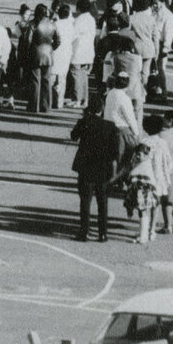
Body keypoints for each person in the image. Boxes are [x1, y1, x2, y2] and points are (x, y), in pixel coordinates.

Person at [70, 97, 119, 242]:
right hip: (103, 168)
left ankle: (83, 231)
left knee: (85, 201)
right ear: (102, 109)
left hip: (86, 166)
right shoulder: (110, 126)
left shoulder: (84, 122)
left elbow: (73, 137)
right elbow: (115, 152)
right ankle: (103, 233)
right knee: (102, 202)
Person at [28, 4, 60, 113]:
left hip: (35, 53)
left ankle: (34, 106)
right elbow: (58, 41)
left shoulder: (33, 24)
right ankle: (46, 106)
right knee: (46, 81)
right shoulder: (52, 24)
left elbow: (28, 40)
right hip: (48, 54)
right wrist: (51, 48)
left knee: (35, 81)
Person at [69, 0, 97, 109]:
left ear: (78, 8)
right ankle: (85, 100)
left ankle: (77, 99)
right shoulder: (92, 19)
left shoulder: (78, 20)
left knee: (75, 74)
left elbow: (73, 35)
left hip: (78, 51)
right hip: (89, 51)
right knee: (84, 75)